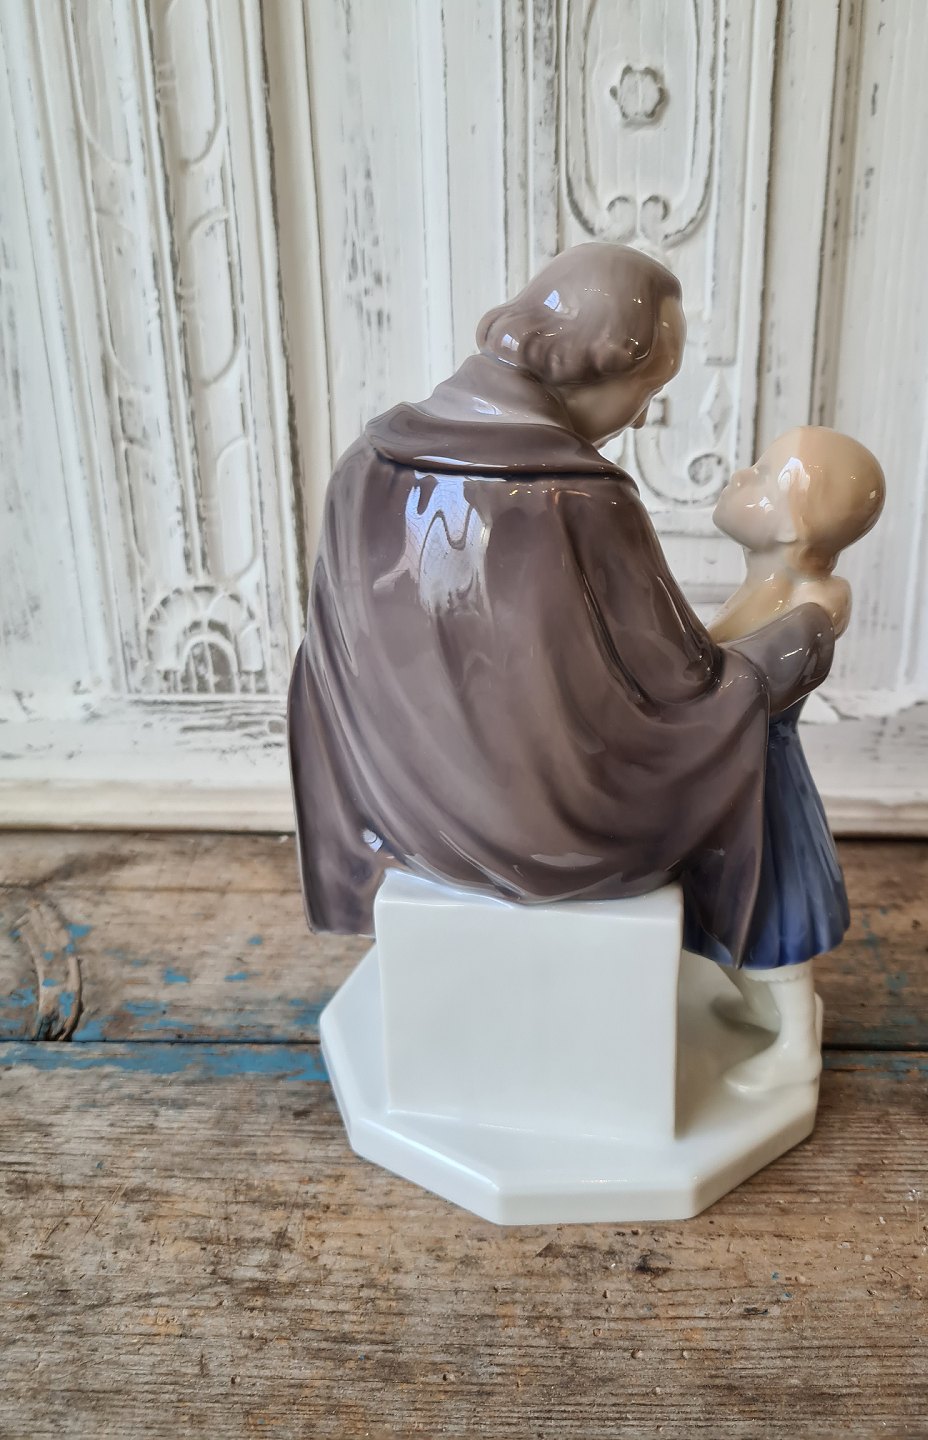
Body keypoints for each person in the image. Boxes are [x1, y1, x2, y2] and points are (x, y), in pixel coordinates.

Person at [288, 243, 834, 968]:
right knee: (779, 673)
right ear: (598, 363)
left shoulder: (363, 464)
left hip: (397, 815)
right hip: (557, 843)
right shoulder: (582, 497)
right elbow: (679, 688)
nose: (641, 420)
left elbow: (329, 666)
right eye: (648, 388)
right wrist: (791, 646)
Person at [709, 426, 885, 1091]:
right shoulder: (765, 588)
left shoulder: (812, 605)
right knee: (723, 904)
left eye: (759, 475)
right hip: (730, 774)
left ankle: (796, 1044)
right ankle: (762, 1008)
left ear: (794, 525)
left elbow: (744, 682)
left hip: (765, 782)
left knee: (771, 904)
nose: (738, 478)